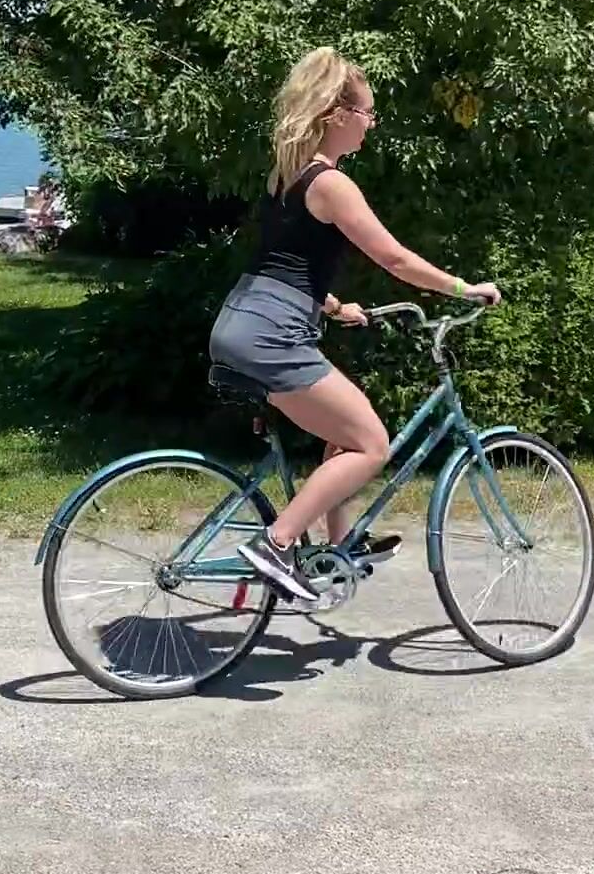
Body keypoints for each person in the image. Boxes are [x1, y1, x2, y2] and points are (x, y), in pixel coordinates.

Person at [208, 47, 502, 606]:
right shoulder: (331, 184)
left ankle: (339, 545)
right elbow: (395, 259)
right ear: (337, 114)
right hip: (273, 335)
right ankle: (277, 544)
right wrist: (465, 289)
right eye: (367, 113)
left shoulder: (286, 174)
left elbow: (283, 260)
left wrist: (331, 304)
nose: (371, 124)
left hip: (243, 320)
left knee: (344, 431)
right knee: (371, 444)